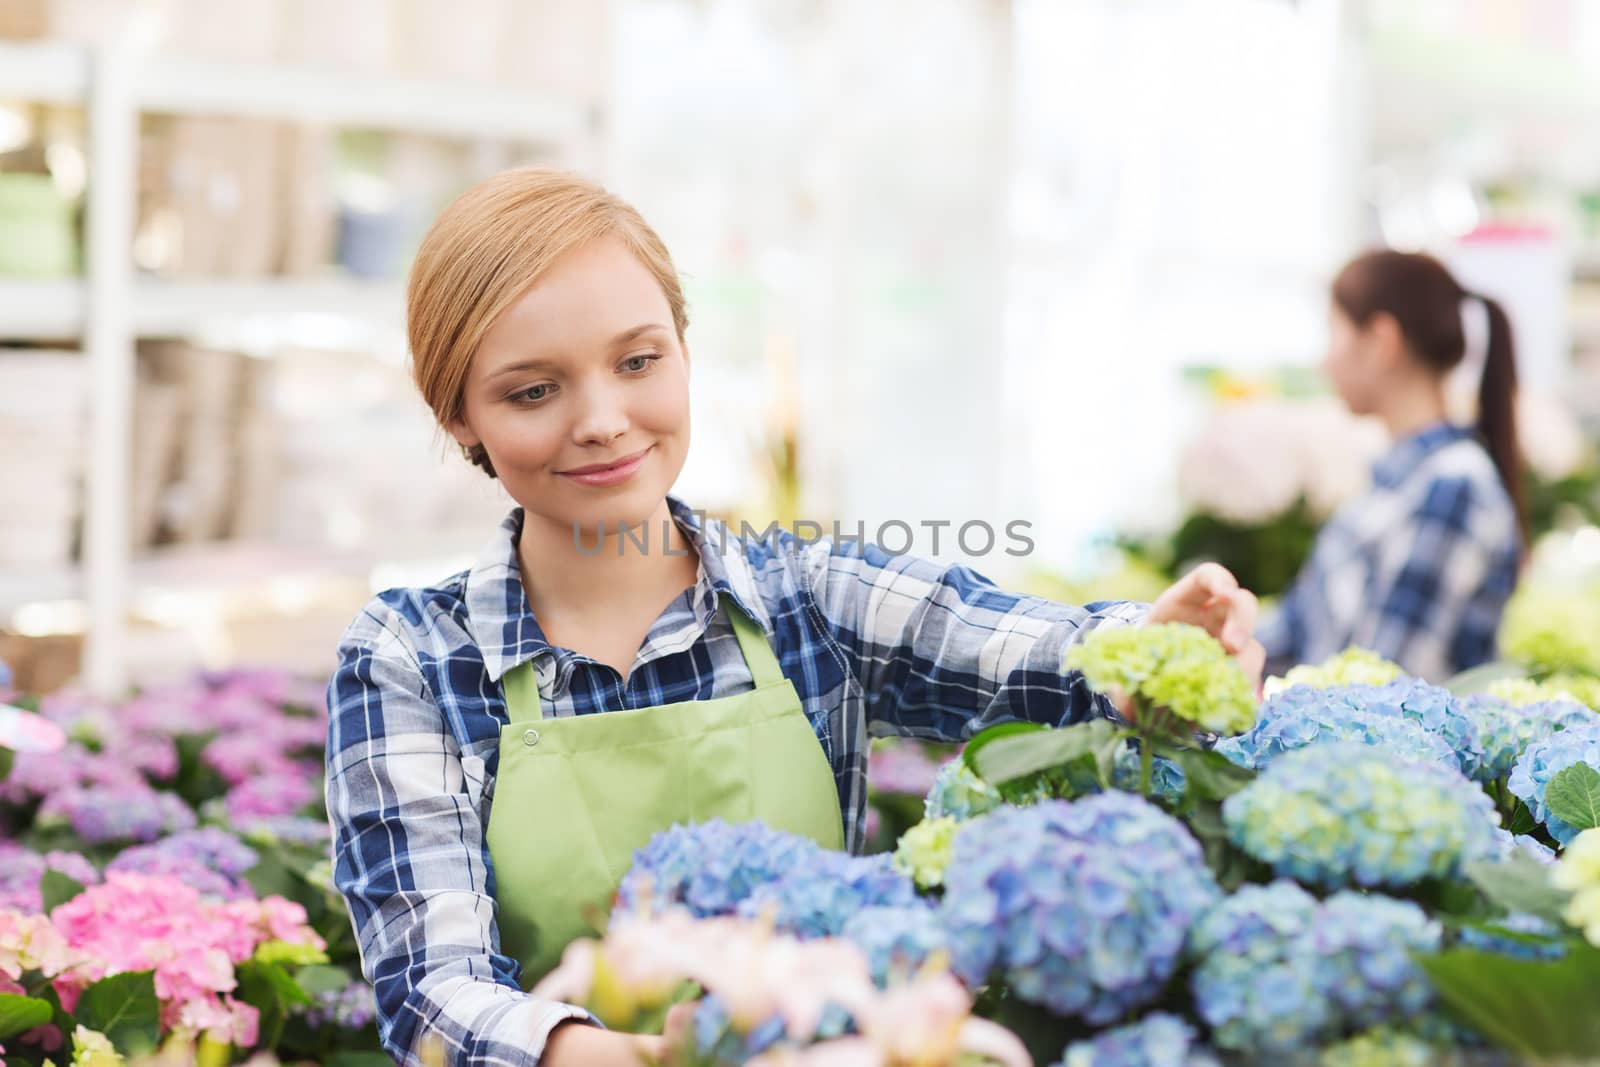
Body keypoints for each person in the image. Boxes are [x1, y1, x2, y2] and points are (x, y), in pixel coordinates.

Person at [324, 168, 1265, 1067]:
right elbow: (435, 992)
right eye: (534, 390)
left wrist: (1159, 646)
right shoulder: (413, 657)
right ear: (457, 415)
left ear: (685, 353)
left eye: (638, 360)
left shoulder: (807, 598)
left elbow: (1031, 652)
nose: (604, 419)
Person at [1258, 249, 1525, 683]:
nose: (1322, 360)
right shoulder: (1404, 477)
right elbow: (1293, 630)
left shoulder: (1452, 486)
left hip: (1363, 750)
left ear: (1382, 341)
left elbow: (1382, 689)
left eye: (1333, 331)